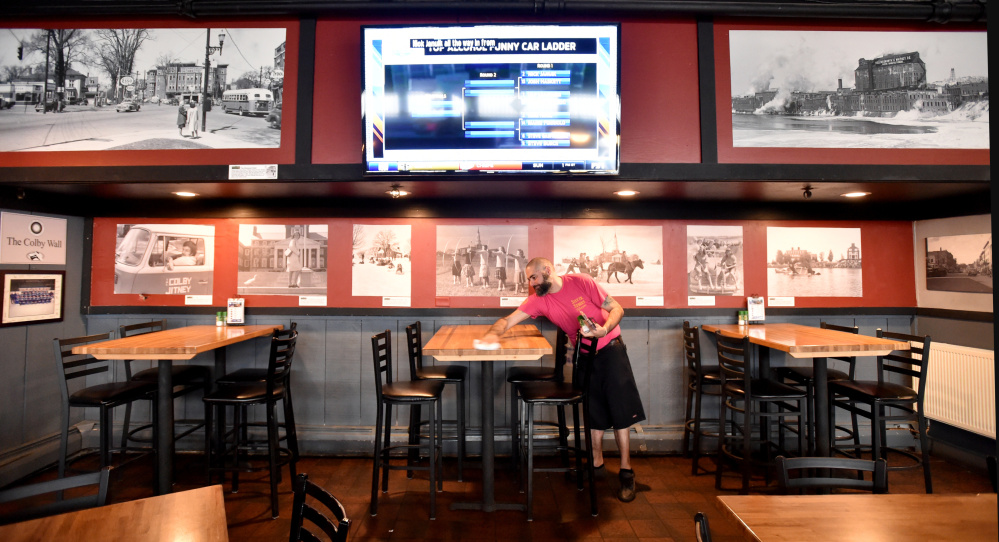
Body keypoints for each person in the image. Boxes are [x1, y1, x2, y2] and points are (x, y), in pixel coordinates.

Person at [478, 257, 646, 502]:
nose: (532, 284)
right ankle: (597, 466)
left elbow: (617, 308)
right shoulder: (539, 301)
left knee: (621, 415)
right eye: (529, 280)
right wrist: (490, 336)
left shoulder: (582, 281)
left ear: (547, 271)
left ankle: (626, 472)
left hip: (611, 351)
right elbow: (508, 320)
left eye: (533, 278)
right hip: (584, 358)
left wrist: (604, 329)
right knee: (594, 413)